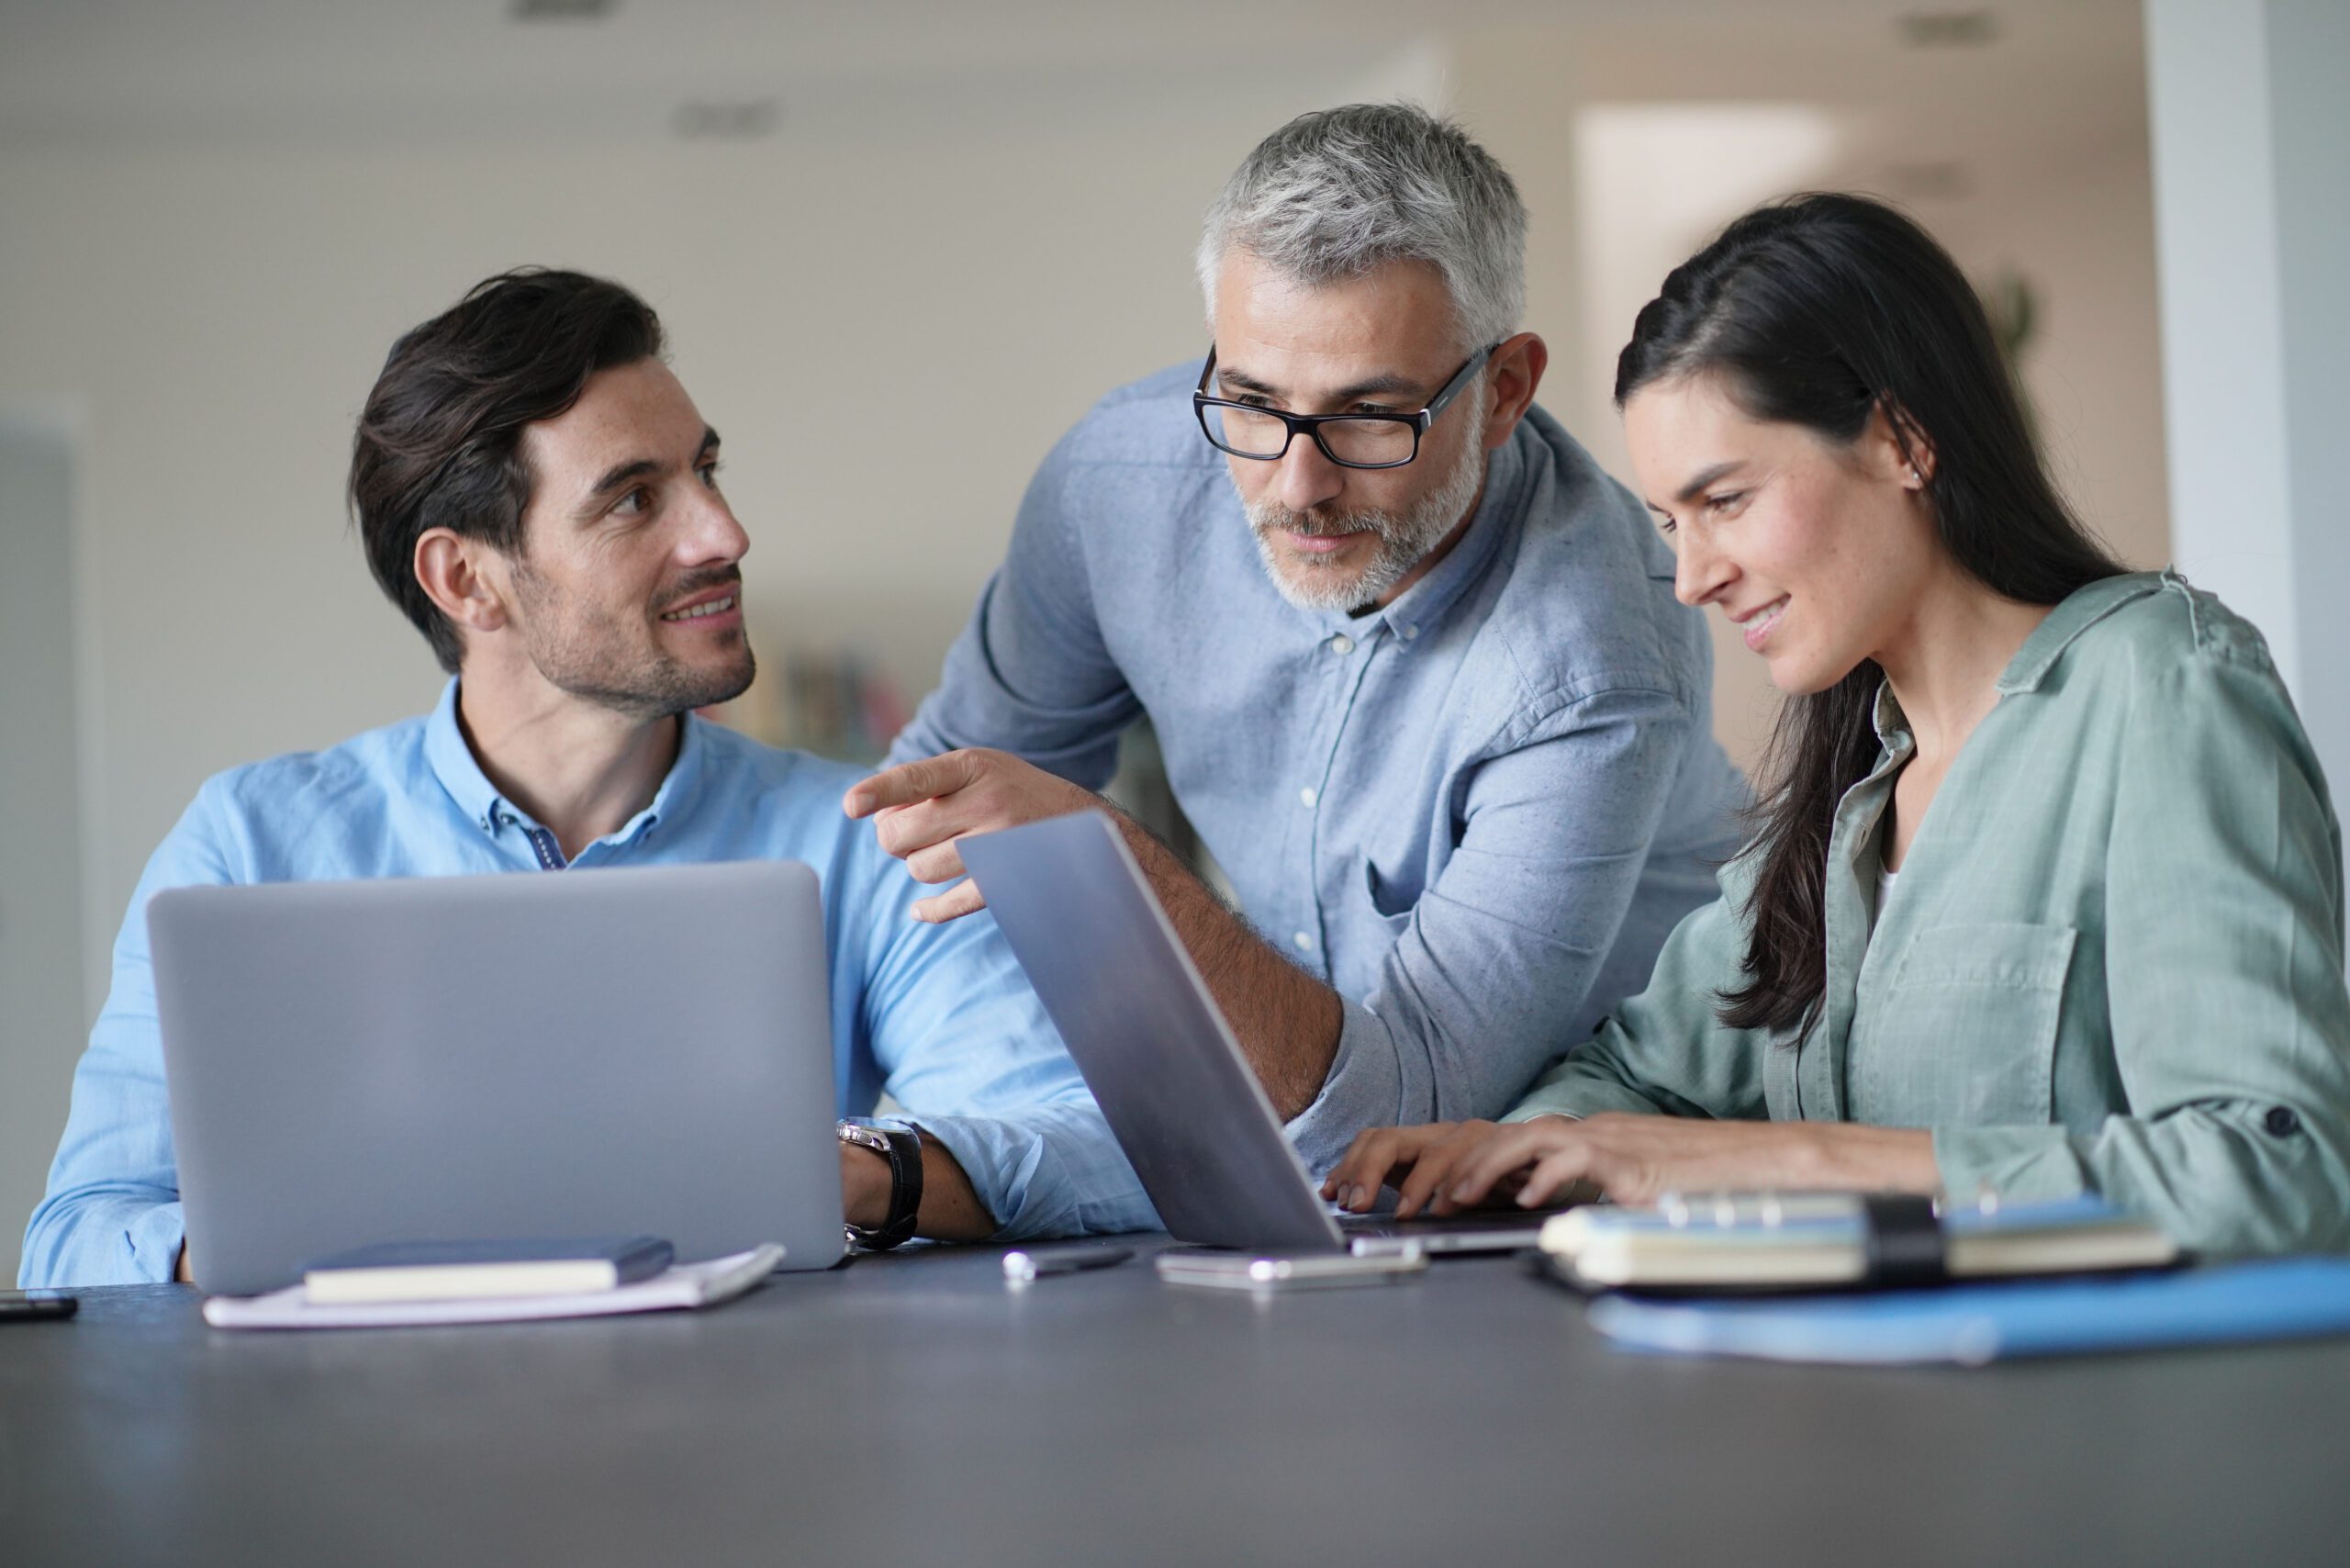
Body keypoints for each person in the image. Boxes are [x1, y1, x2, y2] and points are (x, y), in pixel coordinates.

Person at [19, 269, 1153, 1290]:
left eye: (704, 470)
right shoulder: (247, 846)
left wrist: (853, 1172)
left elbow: (1097, 1152)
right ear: (467, 578)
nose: (724, 531)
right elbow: (76, 1233)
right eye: (633, 498)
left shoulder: (857, 834)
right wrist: (294, 1246)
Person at [1321, 193, 2350, 1256]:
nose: (1692, 579)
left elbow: (2280, 1169)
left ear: (1902, 439)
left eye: (1725, 501)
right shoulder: (1839, 793)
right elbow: (1625, 1079)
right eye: (1670, 524)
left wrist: (1798, 1157)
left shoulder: (2159, 686)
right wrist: (1501, 1160)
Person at [845, 104, 1748, 1172]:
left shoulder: (1593, 657)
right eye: (1252, 399)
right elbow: (930, 818)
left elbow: (1397, 1107)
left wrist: (1118, 876)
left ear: (1502, 391)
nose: (1296, 487)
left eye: (1369, 415)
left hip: (1587, 1153)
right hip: (1297, 1118)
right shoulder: (1115, 487)